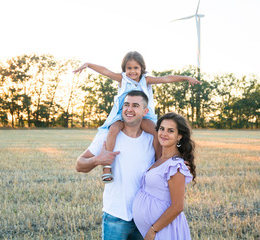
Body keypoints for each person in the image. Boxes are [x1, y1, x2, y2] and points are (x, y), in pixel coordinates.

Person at [73, 51, 201, 183]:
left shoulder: (146, 80)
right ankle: (107, 167)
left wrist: (185, 78)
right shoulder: (122, 79)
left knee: (156, 132)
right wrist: (88, 64)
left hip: (144, 116)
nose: (132, 71)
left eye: (136, 68)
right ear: (124, 69)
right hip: (121, 115)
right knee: (114, 129)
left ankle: (159, 163)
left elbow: (166, 78)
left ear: (141, 69)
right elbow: (106, 71)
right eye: (129, 68)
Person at [76, 90, 156, 240]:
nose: (129, 109)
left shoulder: (152, 139)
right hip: (115, 215)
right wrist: (97, 160)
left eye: (135, 105)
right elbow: (79, 165)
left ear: (145, 111)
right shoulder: (106, 137)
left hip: (144, 216)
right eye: (126, 105)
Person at [132, 112, 196, 240]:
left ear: (179, 136)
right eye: (161, 129)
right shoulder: (162, 159)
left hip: (165, 230)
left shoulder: (175, 166)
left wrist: (153, 230)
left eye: (170, 131)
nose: (164, 133)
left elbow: (177, 206)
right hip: (157, 229)